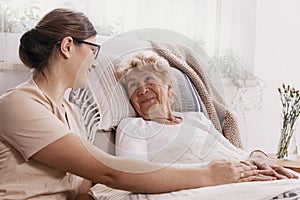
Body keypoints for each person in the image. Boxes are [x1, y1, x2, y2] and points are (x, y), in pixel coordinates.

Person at [0, 8, 267, 200]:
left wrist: (251, 164)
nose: (94, 63)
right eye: (93, 50)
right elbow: (111, 173)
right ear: (68, 47)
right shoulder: (18, 105)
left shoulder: (68, 112)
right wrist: (209, 175)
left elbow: (82, 189)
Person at [115, 50, 298, 181]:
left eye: (149, 80)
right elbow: (136, 174)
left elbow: (237, 152)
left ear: (169, 89)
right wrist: (213, 174)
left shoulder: (197, 119)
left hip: (246, 176)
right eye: (133, 85)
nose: (142, 89)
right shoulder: (133, 127)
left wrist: (259, 157)